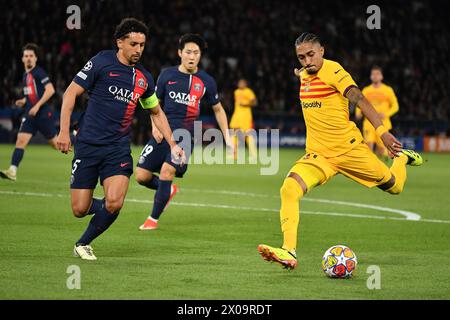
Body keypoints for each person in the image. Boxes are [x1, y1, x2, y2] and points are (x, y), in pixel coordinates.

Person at [257, 33, 423, 270]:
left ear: (322, 51)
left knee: (395, 186)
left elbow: (360, 98)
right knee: (289, 188)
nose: (306, 61)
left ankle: (402, 158)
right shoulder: (305, 73)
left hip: (349, 150)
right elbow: (302, 72)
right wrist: (300, 72)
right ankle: (288, 251)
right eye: (301, 57)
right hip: (319, 155)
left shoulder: (334, 71)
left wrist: (382, 132)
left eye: (311, 55)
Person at [56, 18, 184, 261]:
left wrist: (173, 144)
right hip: (88, 144)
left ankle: (83, 243)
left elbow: (156, 112)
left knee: (114, 203)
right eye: (133, 44)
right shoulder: (101, 61)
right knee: (79, 209)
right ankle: (101, 209)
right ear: (120, 43)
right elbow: (71, 93)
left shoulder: (144, 78)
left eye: (142, 45)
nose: (138, 49)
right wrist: (63, 131)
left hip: (117, 148)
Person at [136, 33, 233, 231]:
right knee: (141, 176)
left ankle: (152, 219)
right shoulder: (166, 75)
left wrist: (228, 137)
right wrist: (154, 126)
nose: (192, 56)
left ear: (200, 56)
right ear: (180, 53)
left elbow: (218, 109)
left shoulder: (206, 81)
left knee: (166, 170)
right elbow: (154, 104)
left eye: (196, 53)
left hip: (185, 136)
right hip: (163, 131)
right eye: (188, 52)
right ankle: (167, 190)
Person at [0, 43, 56, 181]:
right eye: (26, 56)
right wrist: (24, 101)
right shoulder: (26, 75)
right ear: (22, 59)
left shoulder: (39, 72)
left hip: (42, 114)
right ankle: (12, 171)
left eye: (31, 56)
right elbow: (32, 94)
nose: (29, 58)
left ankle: (81, 144)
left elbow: (50, 90)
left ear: (36, 58)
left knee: (57, 144)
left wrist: (37, 106)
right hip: (30, 115)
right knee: (21, 140)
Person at [355, 65, 399, 161]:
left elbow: (395, 106)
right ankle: (370, 168)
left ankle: (380, 166)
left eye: (377, 74)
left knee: (382, 150)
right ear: (370, 76)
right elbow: (359, 102)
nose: (375, 76)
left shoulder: (388, 90)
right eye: (373, 74)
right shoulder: (366, 90)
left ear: (381, 76)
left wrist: (386, 114)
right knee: (369, 145)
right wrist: (358, 112)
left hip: (383, 123)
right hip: (369, 122)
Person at [229, 78, 258, 159]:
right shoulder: (236, 92)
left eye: (242, 83)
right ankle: (233, 154)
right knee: (233, 133)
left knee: (248, 134)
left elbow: (255, 102)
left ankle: (253, 154)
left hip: (246, 116)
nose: (240, 84)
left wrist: (246, 105)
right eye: (239, 83)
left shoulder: (248, 91)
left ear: (245, 84)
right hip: (236, 115)